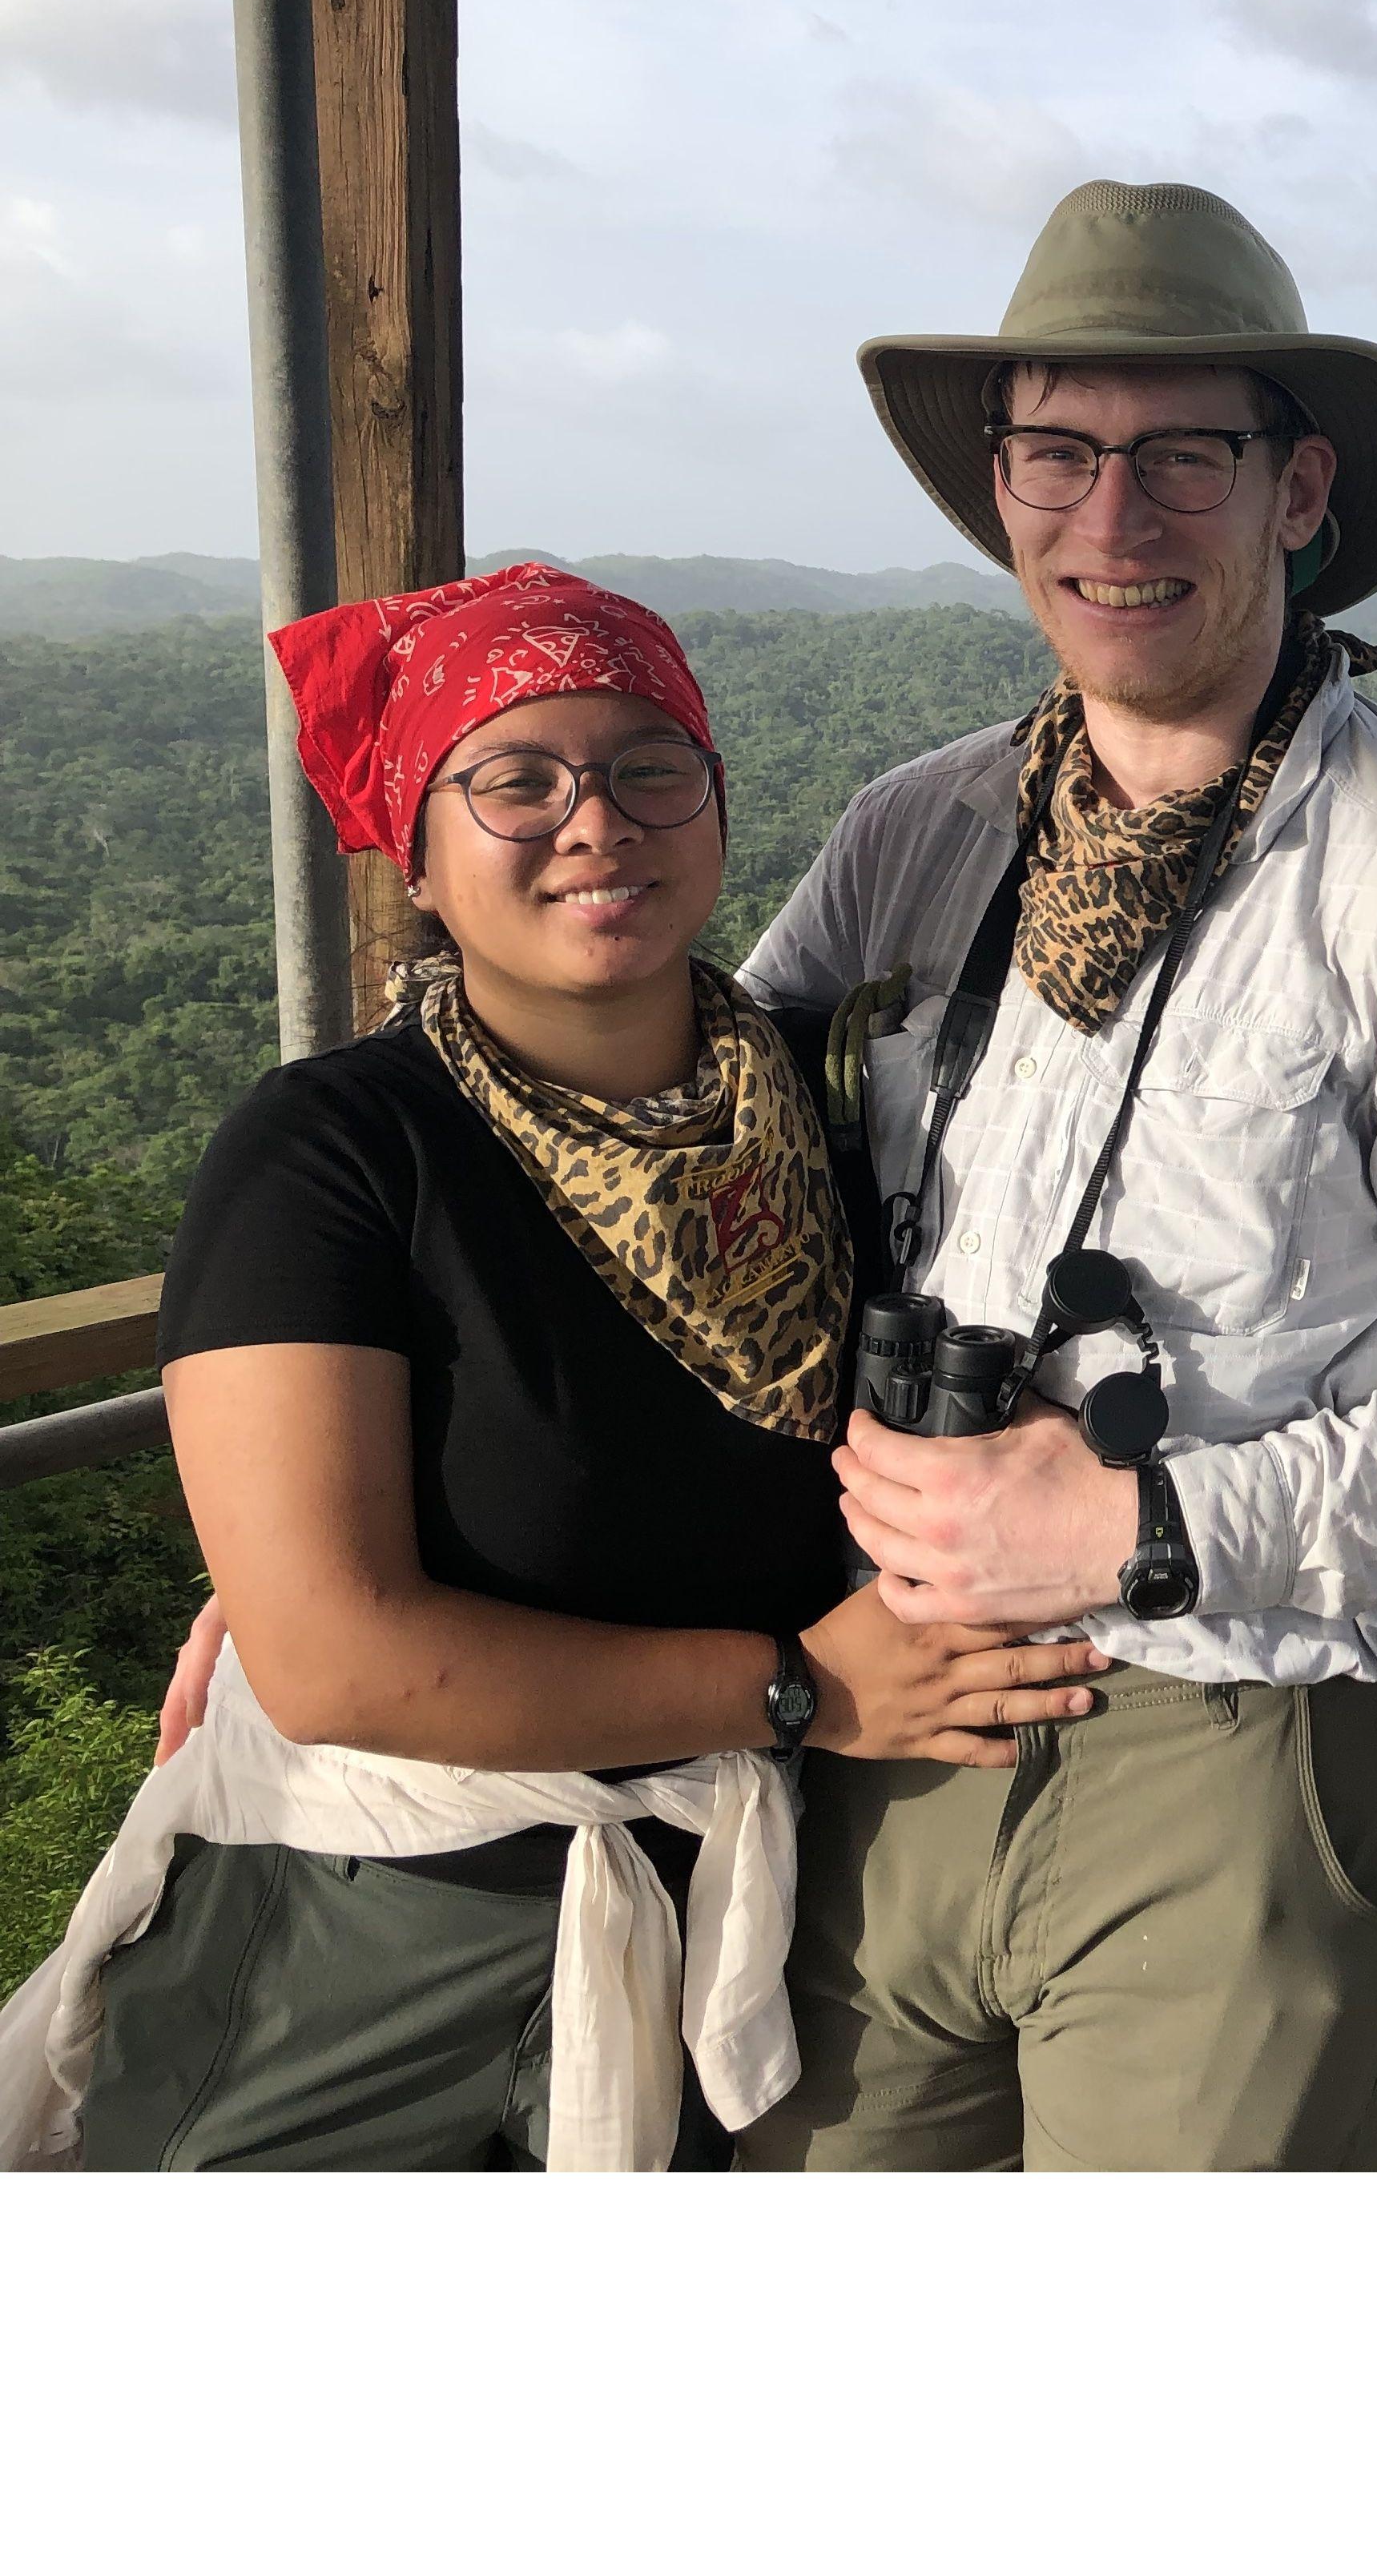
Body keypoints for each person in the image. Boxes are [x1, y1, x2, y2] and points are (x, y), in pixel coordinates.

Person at [723, 176, 1377, 2170]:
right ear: (1002, 491)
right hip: (904, 1703)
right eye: (1056, 452)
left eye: (1183, 458)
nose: (1112, 518)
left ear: (1299, 491)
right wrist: (347, 1520)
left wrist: (1140, 1530)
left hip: (1255, 1740)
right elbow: (659, 1117)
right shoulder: (925, 833)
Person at [0, 566, 1109, 2172]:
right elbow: (333, 1660)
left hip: (726, 1917)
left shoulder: (820, 1115)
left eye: (649, 767)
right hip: (372, 1935)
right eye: (515, 779)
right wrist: (799, 1688)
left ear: (718, 809)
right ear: (422, 858)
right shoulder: (339, 1151)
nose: (597, 821)